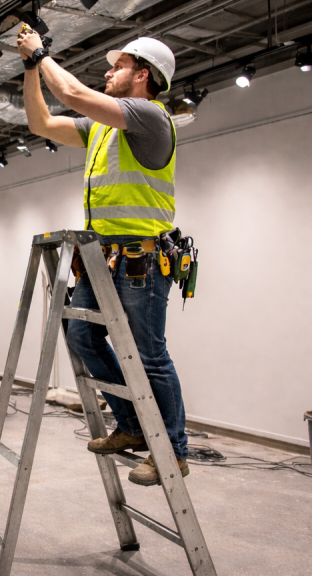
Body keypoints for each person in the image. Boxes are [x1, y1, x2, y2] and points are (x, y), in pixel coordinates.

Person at [16, 30, 189, 487]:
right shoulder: (99, 130)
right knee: (82, 337)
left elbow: (72, 92)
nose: (109, 71)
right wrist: (31, 69)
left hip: (143, 261)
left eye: (119, 66)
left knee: (150, 356)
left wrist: (40, 53)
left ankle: (174, 450)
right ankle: (133, 426)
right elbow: (40, 123)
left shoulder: (150, 117)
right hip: (103, 259)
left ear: (143, 74)